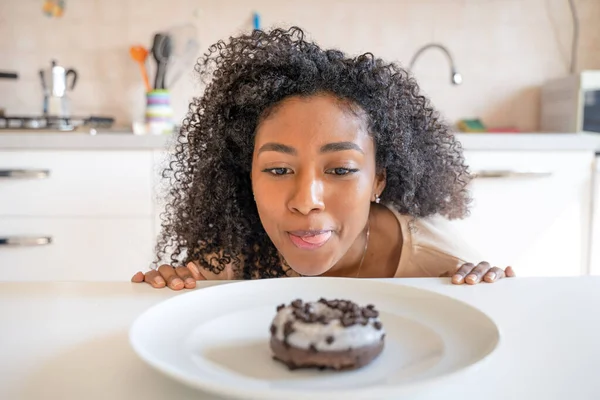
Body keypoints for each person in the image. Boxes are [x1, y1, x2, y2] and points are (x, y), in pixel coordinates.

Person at [131, 26, 515, 290]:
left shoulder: (436, 258)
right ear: (245, 174)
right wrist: (172, 284)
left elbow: (502, 311)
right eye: (278, 169)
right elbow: (189, 294)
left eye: (341, 169)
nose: (305, 201)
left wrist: (484, 284)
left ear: (378, 179)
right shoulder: (239, 252)